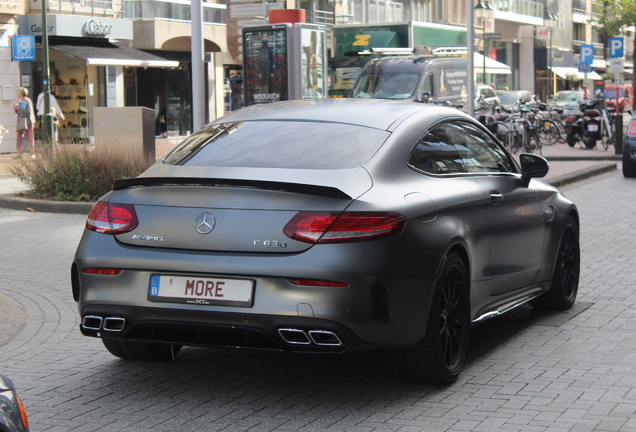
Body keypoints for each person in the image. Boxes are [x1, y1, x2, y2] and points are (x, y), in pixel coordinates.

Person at [13, 87, 35, 156]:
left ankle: (32, 153)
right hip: (21, 121)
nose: (17, 95)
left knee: (30, 137)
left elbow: (29, 112)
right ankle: (19, 153)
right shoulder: (20, 102)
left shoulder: (27, 101)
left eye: (18, 93)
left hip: (28, 121)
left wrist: (19, 109)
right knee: (19, 137)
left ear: (20, 94)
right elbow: (19, 112)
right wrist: (16, 109)